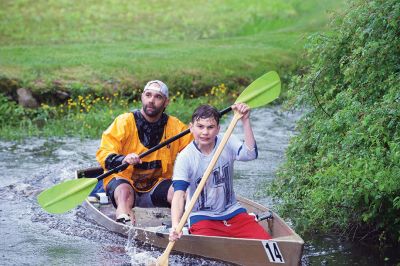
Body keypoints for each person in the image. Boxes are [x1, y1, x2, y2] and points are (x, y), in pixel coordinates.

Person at [169, 104, 271, 241]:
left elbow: (250, 155)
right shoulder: (185, 157)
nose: (205, 132)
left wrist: (246, 120)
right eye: (200, 126)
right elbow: (178, 195)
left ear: (218, 129)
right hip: (202, 216)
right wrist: (176, 225)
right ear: (191, 127)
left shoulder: (227, 140)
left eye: (210, 127)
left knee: (265, 240)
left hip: (233, 212)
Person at [96, 80, 193, 224]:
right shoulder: (124, 122)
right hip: (124, 181)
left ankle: (183, 227)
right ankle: (125, 221)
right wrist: (123, 159)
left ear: (166, 102)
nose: (151, 101)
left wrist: (203, 134)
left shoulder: (176, 127)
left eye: (157, 97)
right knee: (123, 192)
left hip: (157, 185)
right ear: (142, 97)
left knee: (179, 192)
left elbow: (195, 152)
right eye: (148, 95)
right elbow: (104, 152)